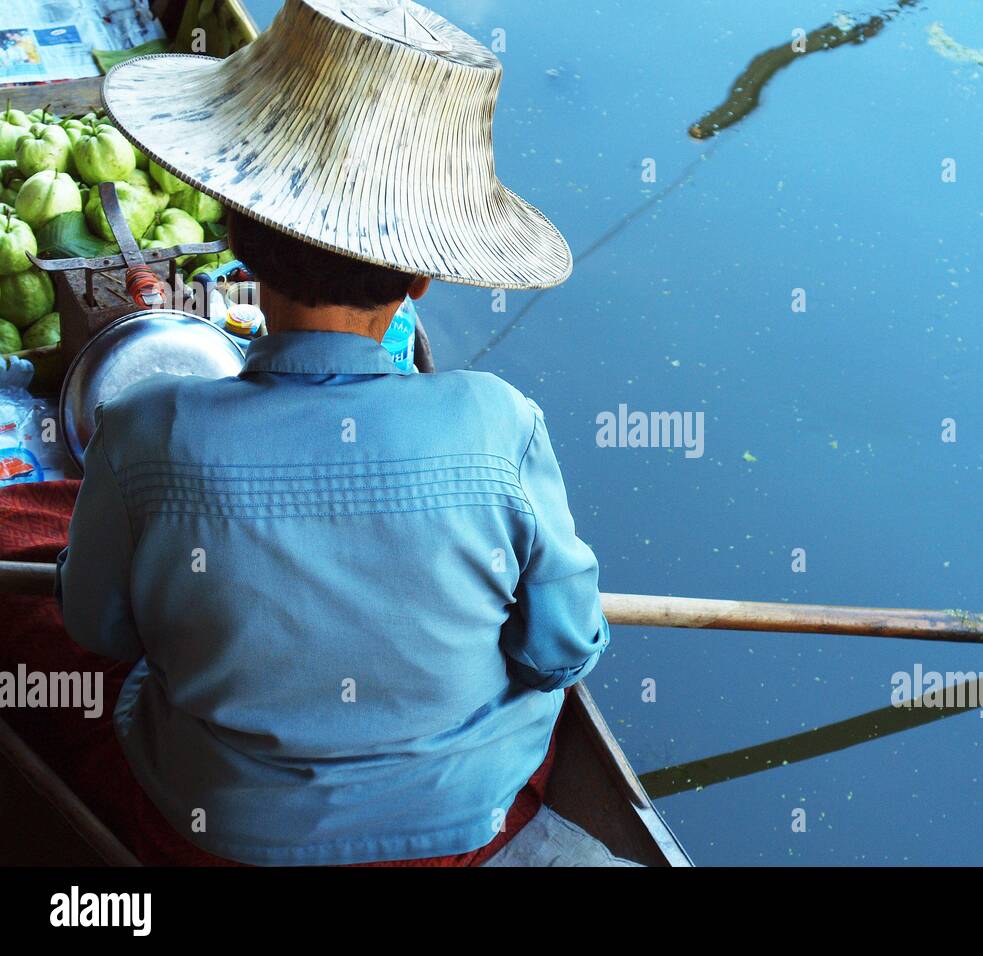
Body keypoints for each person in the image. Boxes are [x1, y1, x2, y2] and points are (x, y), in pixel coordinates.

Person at [55, 0, 608, 866]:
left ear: (235, 233)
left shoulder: (144, 429)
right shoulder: (502, 421)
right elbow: (562, 648)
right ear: (423, 276)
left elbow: (100, 629)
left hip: (219, 830)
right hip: (462, 824)